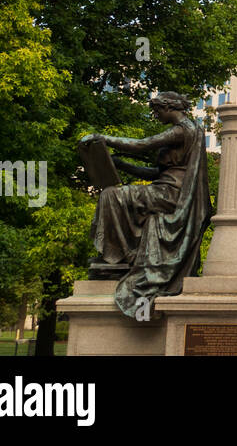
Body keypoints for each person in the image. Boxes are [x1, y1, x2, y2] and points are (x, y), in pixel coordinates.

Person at [79, 91, 212, 319]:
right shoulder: (189, 131)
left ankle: (120, 255)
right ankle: (119, 255)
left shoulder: (183, 129)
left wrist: (103, 138)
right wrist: (123, 165)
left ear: (169, 108)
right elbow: (157, 173)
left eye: (157, 111)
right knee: (115, 194)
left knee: (112, 195)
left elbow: (142, 145)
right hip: (164, 188)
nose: (156, 115)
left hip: (171, 195)